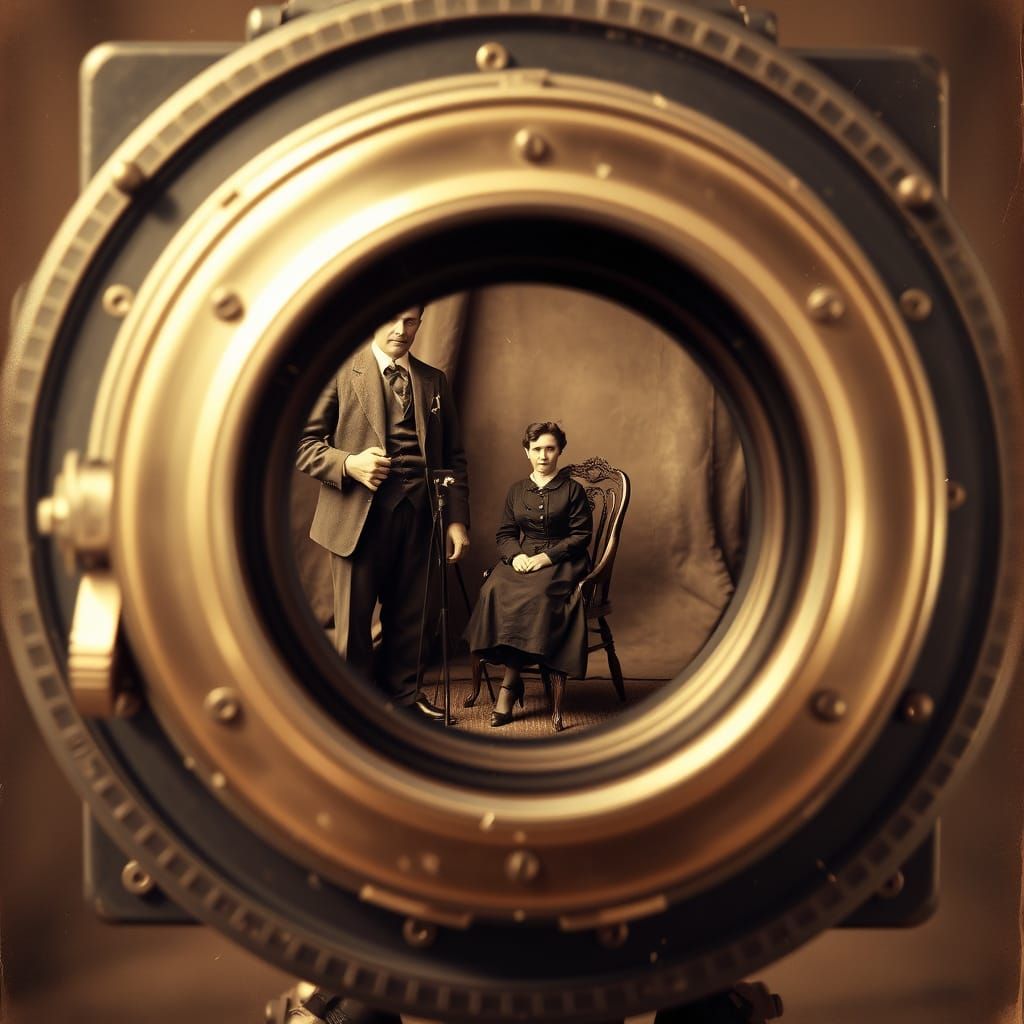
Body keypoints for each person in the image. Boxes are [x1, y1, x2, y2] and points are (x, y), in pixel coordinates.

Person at [296, 305, 470, 721]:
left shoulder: (433, 380)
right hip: (357, 518)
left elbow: (453, 457)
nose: (400, 330)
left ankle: (406, 696)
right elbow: (302, 444)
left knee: (412, 615)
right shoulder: (341, 372)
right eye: (391, 319)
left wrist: (457, 520)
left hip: (421, 516)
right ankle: (353, 701)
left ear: (420, 325)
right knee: (355, 622)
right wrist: (348, 463)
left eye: (410, 321)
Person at [465, 422, 593, 728]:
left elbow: (581, 536)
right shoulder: (517, 490)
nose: (543, 455)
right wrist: (518, 555)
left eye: (550, 448)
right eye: (537, 449)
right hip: (524, 556)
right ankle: (513, 675)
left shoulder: (572, 490)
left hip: (564, 560)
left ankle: (510, 684)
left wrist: (546, 558)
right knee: (493, 589)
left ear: (560, 451)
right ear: (527, 452)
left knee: (535, 595)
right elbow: (506, 533)